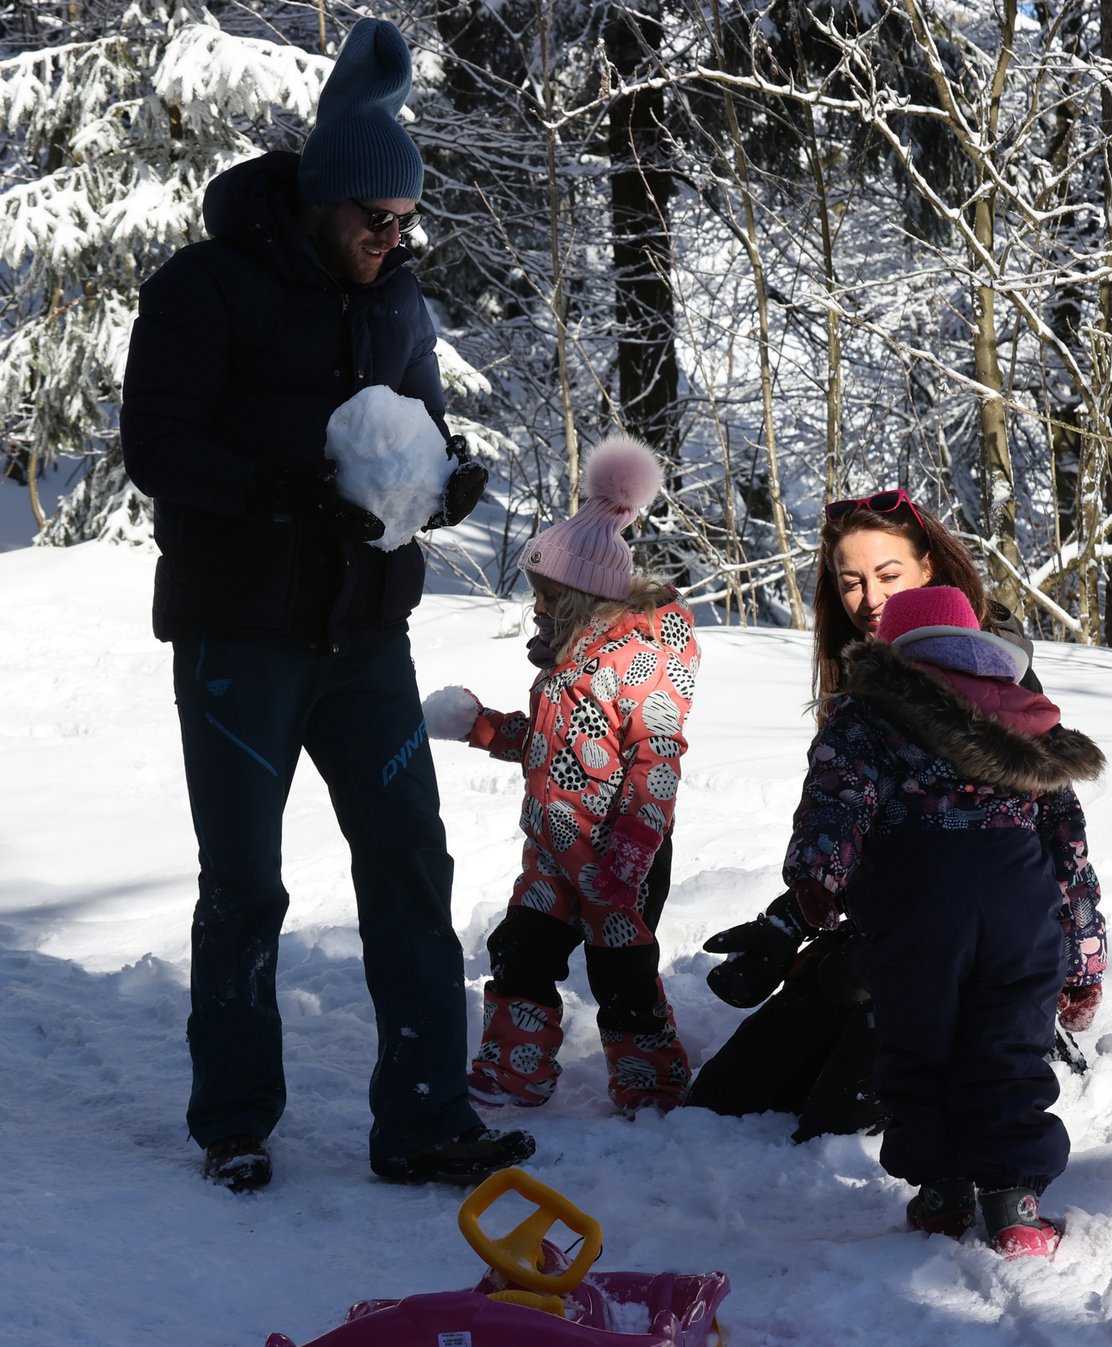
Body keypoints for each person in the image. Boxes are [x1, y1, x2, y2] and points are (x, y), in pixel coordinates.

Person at [120, 18, 533, 1191]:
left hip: (365, 635)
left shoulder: (400, 304)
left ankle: (425, 1117)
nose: (389, 239)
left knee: (410, 861)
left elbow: (413, 442)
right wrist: (288, 492)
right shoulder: (205, 286)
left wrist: (441, 491)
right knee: (245, 879)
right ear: (321, 202)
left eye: (405, 223)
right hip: (238, 632)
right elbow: (157, 444)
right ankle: (236, 1121)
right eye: (373, 219)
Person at [689, 488, 1103, 1135]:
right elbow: (848, 816)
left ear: (928, 568)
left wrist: (1077, 949)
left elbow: (1057, 830)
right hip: (889, 934)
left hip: (985, 950)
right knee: (727, 1094)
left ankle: (1025, 1037)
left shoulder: (987, 676)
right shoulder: (860, 685)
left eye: (887, 574)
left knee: (831, 1120)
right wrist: (791, 914)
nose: (869, 598)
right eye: (850, 580)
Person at [753, 585, 1105, 1257]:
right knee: (1008, 1047)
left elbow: (837, 797)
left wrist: (817, 876)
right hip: (1020, 908)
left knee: (920, 1047)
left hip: (916, 908)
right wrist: (1083, 956)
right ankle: (1014, 1200)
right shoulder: (1028, 717)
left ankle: (942, 1189)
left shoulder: (867, 713)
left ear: (897, 649)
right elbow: (1070, 849)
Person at [422, 436, 698, 1114]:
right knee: (521, 946)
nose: (536, 610)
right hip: (553, 848)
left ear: (581, 599)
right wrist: (484, 725)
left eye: (546, 598)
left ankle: (649, 1075)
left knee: (619, 967)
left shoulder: (640, 665)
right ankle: (518, 1066)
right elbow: (553, 746)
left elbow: (654, 766)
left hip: (617, 855)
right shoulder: (565, 669)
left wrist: (628, 855)